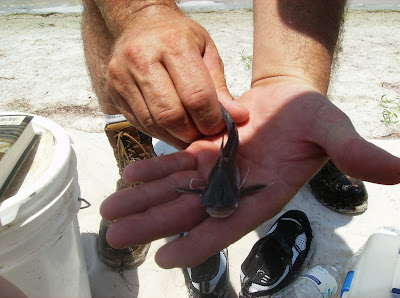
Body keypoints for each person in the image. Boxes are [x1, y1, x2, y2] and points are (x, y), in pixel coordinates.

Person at [82, 0, 400, 295]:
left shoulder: (211, 191)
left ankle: (300, 135)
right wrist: (142, 12)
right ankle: (133, 146)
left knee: (276, 113)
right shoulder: (225, 189)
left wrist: (294, 78)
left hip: (229, 166)